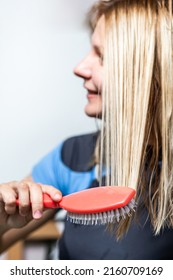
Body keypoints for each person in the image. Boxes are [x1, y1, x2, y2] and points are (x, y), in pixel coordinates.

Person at [0, 0, 173, 259]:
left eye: (101, 56)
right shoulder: (72, 156)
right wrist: (2, 221)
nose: (79, 68)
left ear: (153, 74)